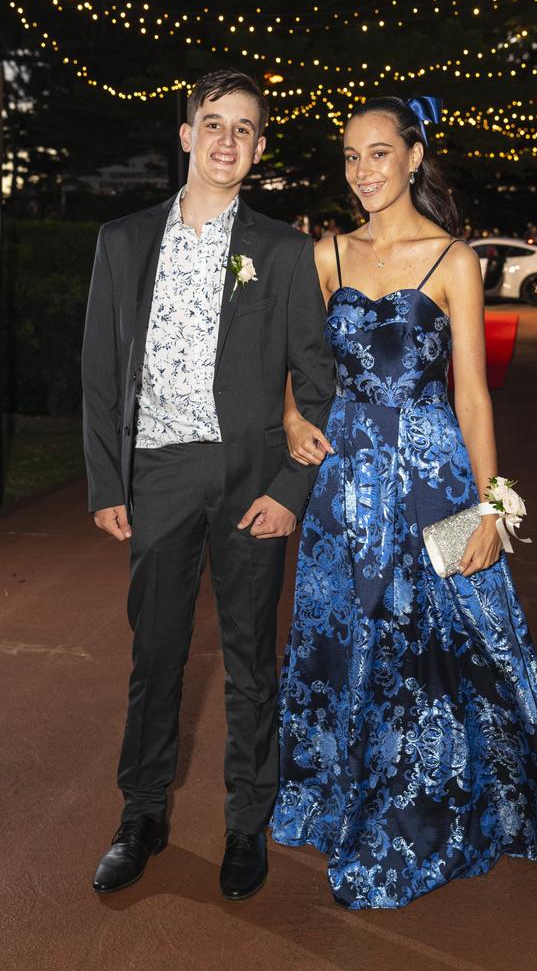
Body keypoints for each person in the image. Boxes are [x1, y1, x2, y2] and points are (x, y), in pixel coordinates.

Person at [270, 95, 537, 909]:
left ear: (414, 157)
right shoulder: (326, 255)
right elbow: (297, 359)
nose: (362, 171)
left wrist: (491, 507)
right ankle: (348, 796)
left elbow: (475, 396)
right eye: (350, 156)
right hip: (347, 483)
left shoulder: (453, 258)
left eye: (378, 153)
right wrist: (289, 416)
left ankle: (423, 817)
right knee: (345, 641)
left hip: (437, 473)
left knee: (460, 636)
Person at [82, 69, 334, 900]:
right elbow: (99, 374)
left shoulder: (284, 250)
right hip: (154, 473)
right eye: (213, 124)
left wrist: (290, 492)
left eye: (245, 129)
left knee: (249, 660)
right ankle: (141, 815)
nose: (227, 140)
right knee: (155, 657)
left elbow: (317, 382)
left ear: (259, 150)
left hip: (249, 482)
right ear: (186, 136)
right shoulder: (121, 242)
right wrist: (105, 482)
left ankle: (244, 823)